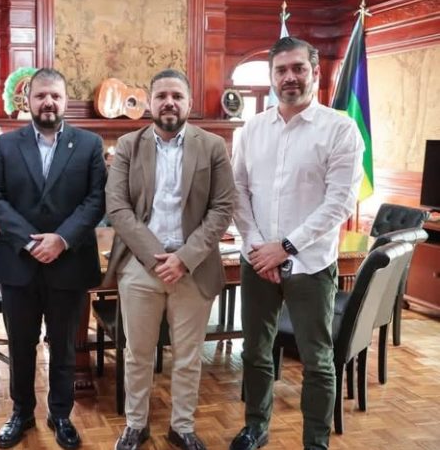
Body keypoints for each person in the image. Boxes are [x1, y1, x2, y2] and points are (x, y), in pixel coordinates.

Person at [230, 37, 364, 450]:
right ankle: (256, 426)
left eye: (298, 68)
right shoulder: (251, 129)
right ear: (272, 77)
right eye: (281, 70)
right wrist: (260, 248)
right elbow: (238, 192)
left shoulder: (340, 128)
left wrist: (285, 247)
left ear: (315, 72)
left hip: (310, 266)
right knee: (254, 352)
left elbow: (339, 202)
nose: (290, 77)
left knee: (317, 361)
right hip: (258, 262)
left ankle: (315, 442)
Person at [104, 69, 236, 450]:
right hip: (140, 266)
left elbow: (222, 207)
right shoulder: (128, 145)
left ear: (189, 103)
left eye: (177, 96)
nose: (169, 103)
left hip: (193, 268)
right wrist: (154, 257)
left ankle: (182, 427)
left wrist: (184, 258)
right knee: (137, 354)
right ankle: (136, 424)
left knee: (188, 356)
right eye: (161, 95)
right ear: (149, 102)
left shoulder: (212, 146)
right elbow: (117, 207)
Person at [0, 68, 106, 450]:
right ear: (28, 101)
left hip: (69, 263)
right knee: (21, 346)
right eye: (41, 96)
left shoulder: (89, 144)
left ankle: (61, 414)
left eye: (55, 95)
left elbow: (96, 200)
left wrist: (62, 240)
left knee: (65, 347)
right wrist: (30, 241)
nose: (48, 102)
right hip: (18, 264)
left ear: (65, 100)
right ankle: (21, 413)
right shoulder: (7, 144)